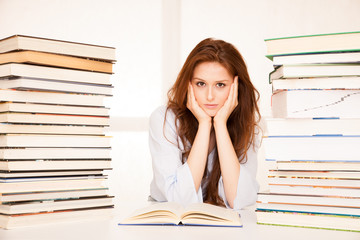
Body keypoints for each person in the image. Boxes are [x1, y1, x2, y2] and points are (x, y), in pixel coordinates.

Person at [149, 38, 261, 210]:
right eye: (200, 84)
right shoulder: (165, 119)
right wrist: (204, 124)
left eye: (220, 85)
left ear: (236, 87)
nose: (210, 96)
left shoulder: (245, 124)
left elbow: (238, 199)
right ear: (188, 85)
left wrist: (221, 125)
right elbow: (178, 199)